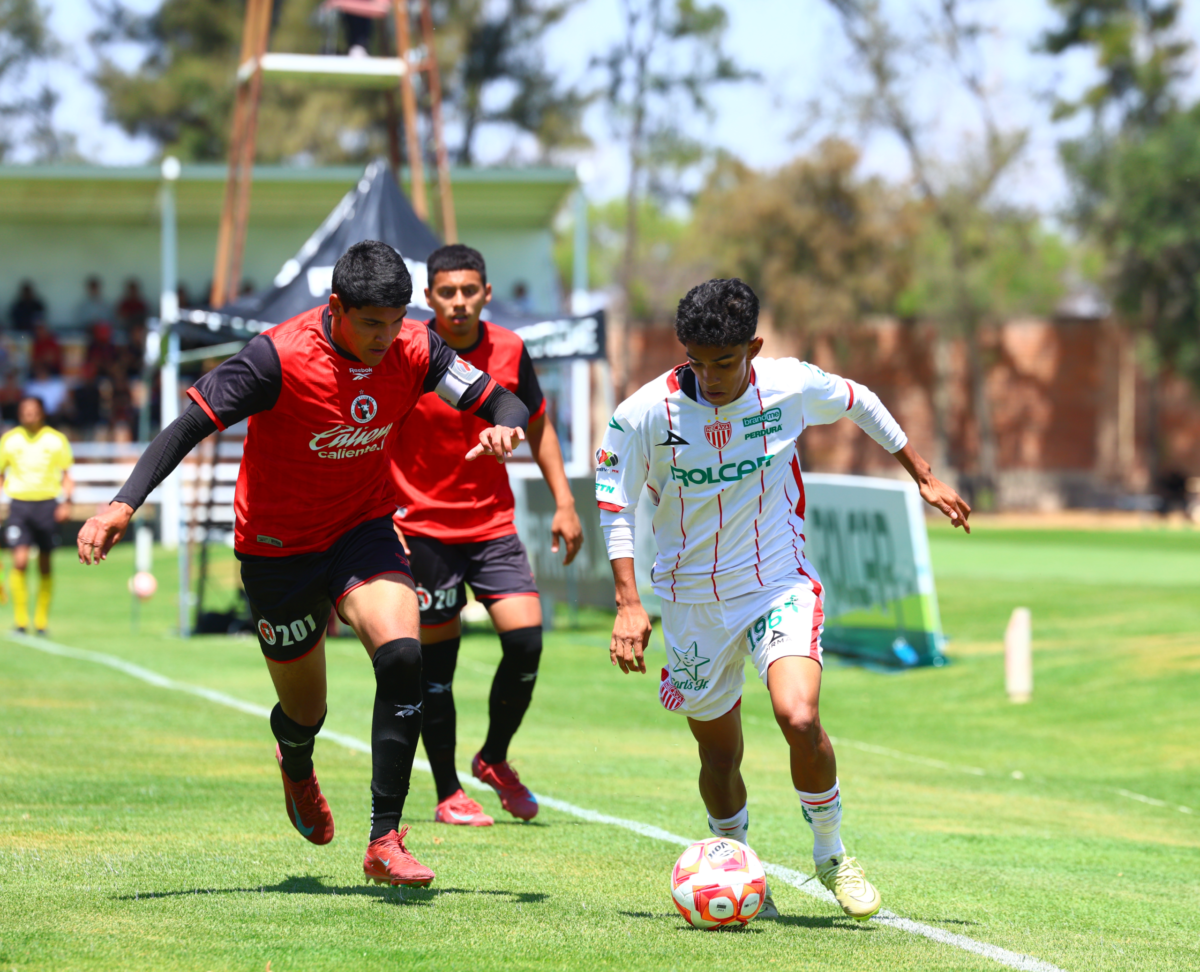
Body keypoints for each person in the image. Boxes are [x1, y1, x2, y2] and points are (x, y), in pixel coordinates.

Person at [76, 241, 530, 888]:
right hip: (277, 549)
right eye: (370, 323)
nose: (385, 338)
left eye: (395, 321)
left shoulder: (416, 347)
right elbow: (188, 425)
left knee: (403, 654)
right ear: (336, 307)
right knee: (305, 712)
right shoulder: (277, 357)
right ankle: (295, 762)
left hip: (362, 530)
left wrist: (505, 425)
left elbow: (500, 399)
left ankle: (384, 839)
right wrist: (124, 503)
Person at [596, 279, 971, 921]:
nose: (711, 378)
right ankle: (741, 867)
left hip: (777, 580)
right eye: (697, 363)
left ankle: (832, 855)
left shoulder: (788, 384)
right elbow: (614, 503)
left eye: (725, 362)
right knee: (719, 754)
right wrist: (629, 603)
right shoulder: (643, 414)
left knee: (798, 716)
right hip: (690, 598)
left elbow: (860, 400)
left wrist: (923, 475)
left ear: (754, 347)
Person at [389, 244, 584, 827]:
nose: (459, 302)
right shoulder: (407, 350)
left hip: (492, 524)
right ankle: (449, 791)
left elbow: (538, 424)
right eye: (447, 292)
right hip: (422, 528)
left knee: (526, 642)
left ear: (486, 293)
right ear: (429, 297)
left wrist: (565, 502)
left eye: (469, 291)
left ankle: (493, 758)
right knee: (437, 670)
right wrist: (382, 516)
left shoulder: (510, 349)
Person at [0, 396, 74, 634]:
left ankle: (41, 622)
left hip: (47, 505)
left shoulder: (56, 439)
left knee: (45, 564)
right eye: (25, 410)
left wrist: (66, 503)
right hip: (20, 506)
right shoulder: (9, 440)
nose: (29, 414)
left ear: (42, 412)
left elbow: (67, 475)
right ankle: (21, 621)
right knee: (19, 562)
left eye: (33, 410)